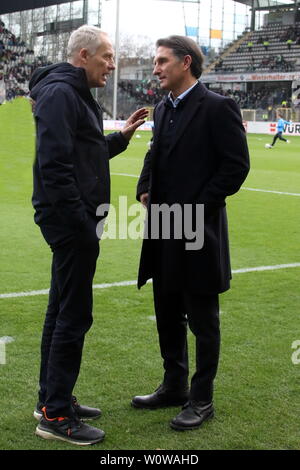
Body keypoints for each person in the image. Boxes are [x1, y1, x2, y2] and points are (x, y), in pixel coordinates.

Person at [29, 25, 147, 445]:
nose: (112, 65)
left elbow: (86, 150)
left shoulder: (73, 93)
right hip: (71, 222)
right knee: (74, 315)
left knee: (60, 308)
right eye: (107, 56)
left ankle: (51, 399)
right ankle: (56, 416)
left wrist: (121, 138)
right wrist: (81, 223)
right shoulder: (62, 94)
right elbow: (55, 166)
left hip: (73, 219)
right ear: (83, 55)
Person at [131, 35, 250, 431]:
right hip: (163, 228)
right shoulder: (164, 108)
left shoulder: (218, 108)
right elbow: (154, 152)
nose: (156, 68)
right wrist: (144, 185)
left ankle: (202, 399)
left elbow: (235, 166)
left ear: (186, 63)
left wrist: (197, 206)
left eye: (162, 61)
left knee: (202, 318)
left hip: (199, 230)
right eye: (155, 61)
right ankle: (174, 386)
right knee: (166, 311)